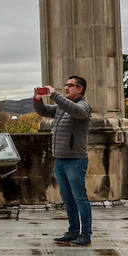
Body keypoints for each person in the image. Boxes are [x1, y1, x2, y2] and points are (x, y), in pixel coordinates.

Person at [35, 76, 93, 246]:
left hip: (76, 161)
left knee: (80, 198)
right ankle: (73, 231)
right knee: (68, 199)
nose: (66, 88)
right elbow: (44, 111)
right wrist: (37, 100)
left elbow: (76, 111)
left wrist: (54, 94)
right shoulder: (62, 107)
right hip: (60, 160)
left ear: (80, 89)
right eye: (65, 85)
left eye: (70, 85)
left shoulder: (83, 106)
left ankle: (86, 234)